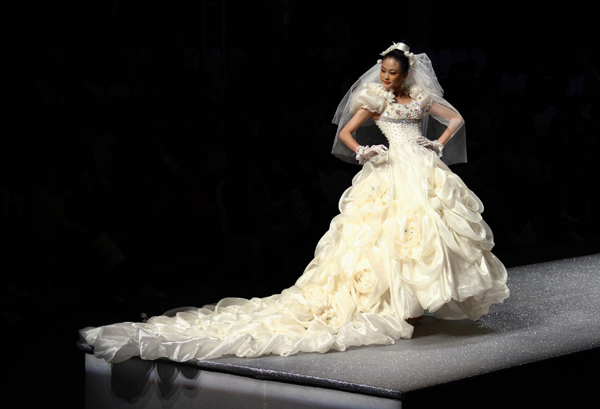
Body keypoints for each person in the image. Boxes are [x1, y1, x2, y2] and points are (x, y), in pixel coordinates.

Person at [80, 42, 509, 364]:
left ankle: (417, 303)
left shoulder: (418, 98)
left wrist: (437, 141)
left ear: (406, 72)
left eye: (392, 72)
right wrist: (363, 151)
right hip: (390, 167)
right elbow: (345, 133)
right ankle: (399, 306)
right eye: (383, 71)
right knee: (380, 237)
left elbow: (456, 118)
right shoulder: (374, 99)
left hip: (420, 164)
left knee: (426, 232)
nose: (386, 78)